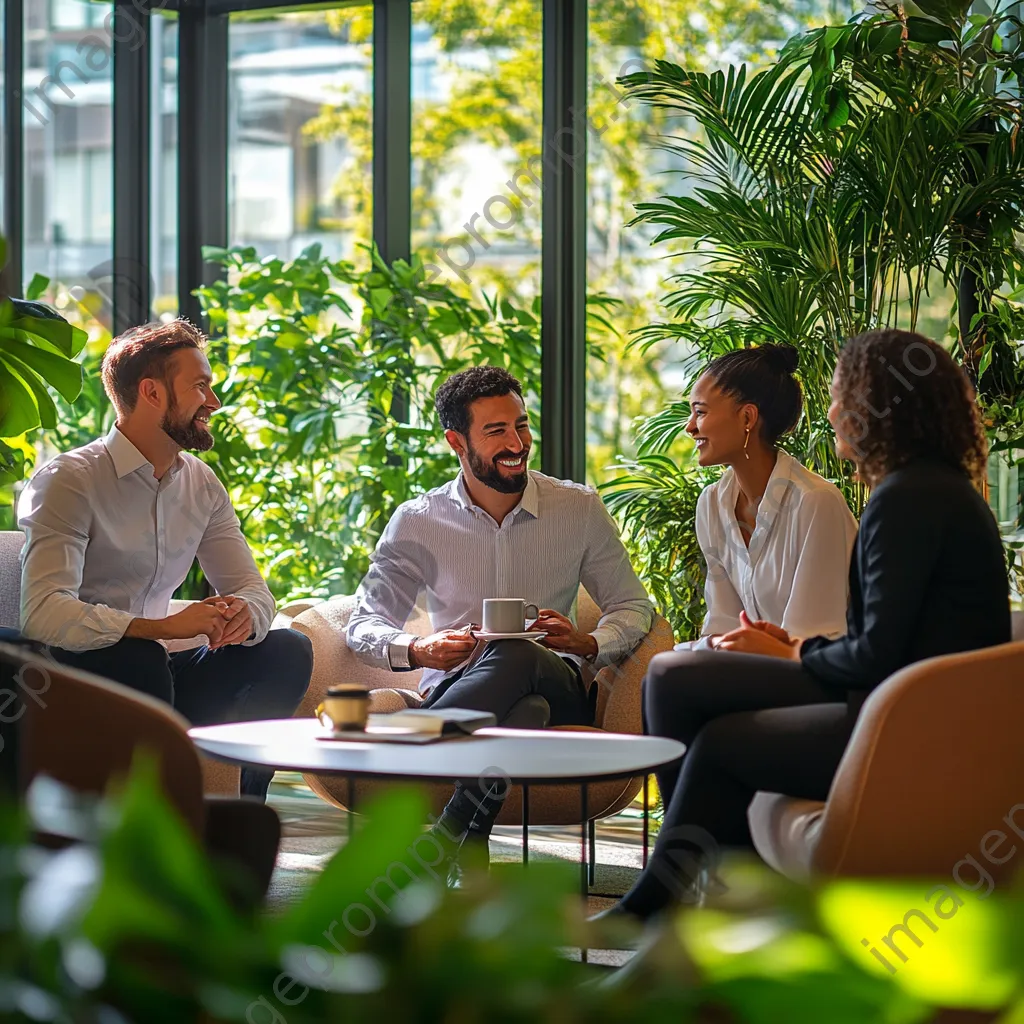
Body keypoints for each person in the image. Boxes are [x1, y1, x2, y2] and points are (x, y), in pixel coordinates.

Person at [604, 328, 1010, 922]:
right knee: (673, 680)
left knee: (701, 717)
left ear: (878, 407)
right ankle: (713, 914)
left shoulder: (904, 501)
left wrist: (794, 653)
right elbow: (888, 641)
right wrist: (790, 646)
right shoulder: (927, 491)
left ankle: (691, 914)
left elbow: (875, 654)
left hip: (905, 725)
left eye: (841, 394)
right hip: (905, 707)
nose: (830, 410)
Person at [347, 365, 653, 866]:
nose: (517, 441)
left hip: (559, 688)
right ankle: (453, 843)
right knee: (523, 713)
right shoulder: (420, 522)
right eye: (496, 431)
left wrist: (587, 643)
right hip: (470, 688)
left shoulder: (577, 508)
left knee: (515, 652)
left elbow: (634, 605)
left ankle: (427, 732)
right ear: (456, 441)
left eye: (522, 425)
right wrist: (420, 649)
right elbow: (364, 622)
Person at [18, 319, 313, 800]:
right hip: (72, 683)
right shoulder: (69, 481)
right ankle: (147, 827)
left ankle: (242, 809)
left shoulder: (202, 484)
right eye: (200, 387)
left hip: (156, 678)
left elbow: (254, 591)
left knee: (286, 649)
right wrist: (157, 629)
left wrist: (244, 616)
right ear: (152, 393)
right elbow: (44, 614)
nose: (213, 402)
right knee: (138, 656)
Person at [680, 343, 856, 650]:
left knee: (667, 674)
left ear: (747, 418)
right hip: (749, 671)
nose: (690, 427)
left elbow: (813, 638)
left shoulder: (816, 502)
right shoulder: (711, 504)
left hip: (812, 675)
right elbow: (723, 624)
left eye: (700, 412)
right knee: (669, 669)